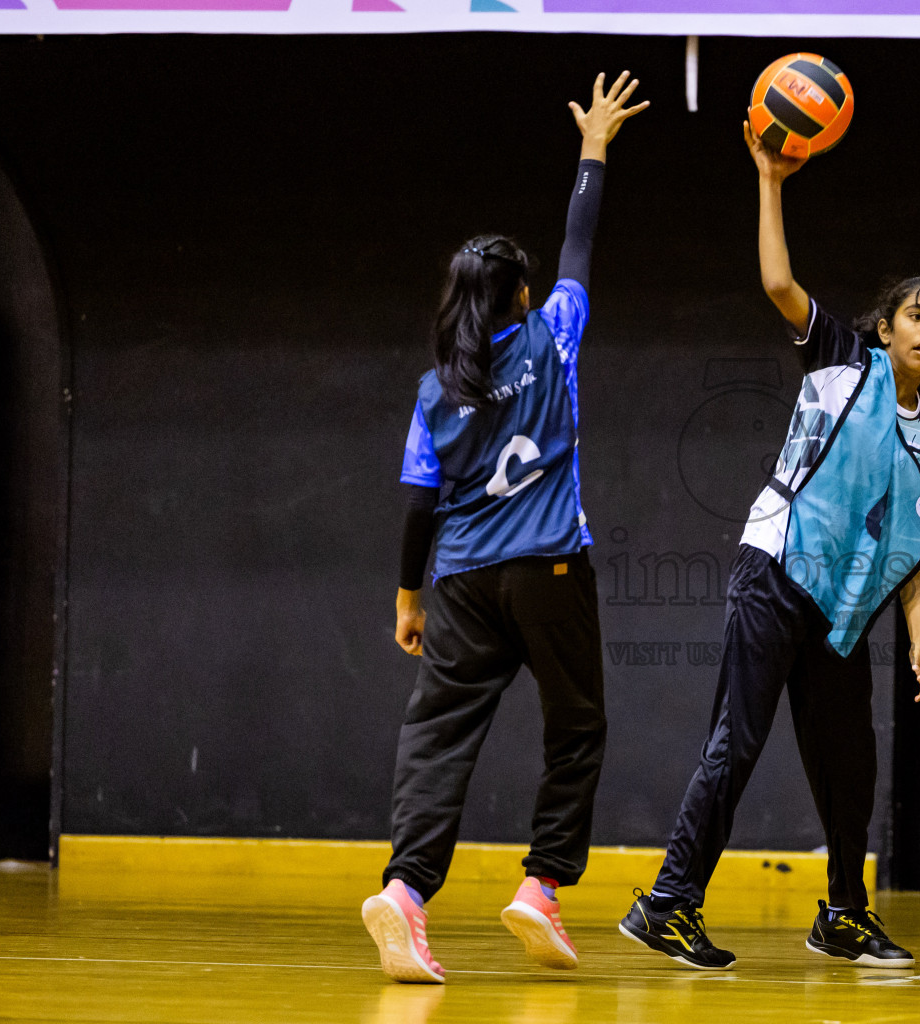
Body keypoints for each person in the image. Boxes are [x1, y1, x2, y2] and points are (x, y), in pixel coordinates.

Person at [617, 122, 920, 971]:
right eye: (914, 315)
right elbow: (778, 280)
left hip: (841, 611)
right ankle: (667, 903)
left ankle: (845, 915)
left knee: (853, 767)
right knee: (735, 742)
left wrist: (918, 639)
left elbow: (910, 541)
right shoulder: (843, 359)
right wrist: (770, 179)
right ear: (885, 327)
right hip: (775, 570)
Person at [360, 71, 647, 984]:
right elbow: (579, 241)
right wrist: (593, 147)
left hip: (459, 581)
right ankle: (541, 888)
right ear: (522, 296)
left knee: (438, 735)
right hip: (550, 567)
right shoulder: (554, 331)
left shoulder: (433, 388)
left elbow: (416, 503)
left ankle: (406, 893)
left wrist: (409, 598)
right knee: (577, 728)